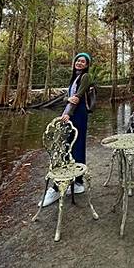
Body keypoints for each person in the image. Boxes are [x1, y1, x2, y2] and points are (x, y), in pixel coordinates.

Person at [40, 52, 93, 207]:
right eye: (78, 60)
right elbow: (68, 97)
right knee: (65, 147)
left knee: (74, 145)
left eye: (83, 61)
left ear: (87, 65)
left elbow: (77, 97)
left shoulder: (85, 77)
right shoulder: (74, 78)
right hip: (70, 113)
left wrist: (68, 114)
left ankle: (71, 184)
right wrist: (67, 100)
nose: (80, 63)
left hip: (77, 114)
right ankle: (71, 183)